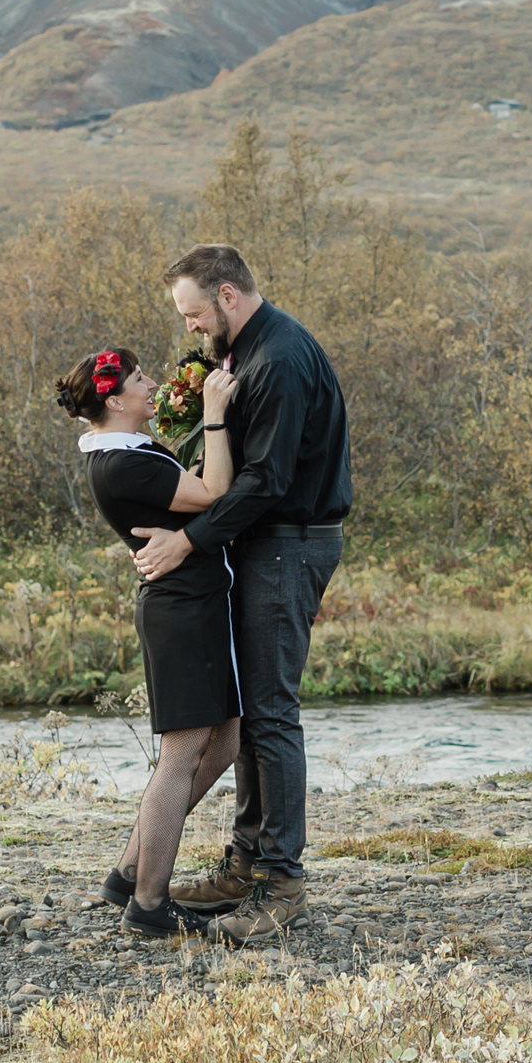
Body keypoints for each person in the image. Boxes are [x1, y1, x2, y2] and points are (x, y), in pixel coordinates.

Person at [130, 245, 351, 946]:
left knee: (272, 711)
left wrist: (188, 542)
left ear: (227, 297)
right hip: (265, 541)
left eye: (193, 315)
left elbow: (268, 483)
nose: (191, 329)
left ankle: (282, 881)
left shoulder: (279, 360)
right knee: (254, 710)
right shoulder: (244, 353)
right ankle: (248, 862)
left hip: (289, 541)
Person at [54, 346, 243, 939]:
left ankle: (130, 871)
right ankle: (149, 902)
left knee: (227, 738)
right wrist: (213, 414)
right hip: (181, 613)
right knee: (183, 752)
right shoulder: (123, 464)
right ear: (114, 400)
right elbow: (214, 492)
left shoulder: (129, 451)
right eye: (140, 379)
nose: (152, 383)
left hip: (194, 606)